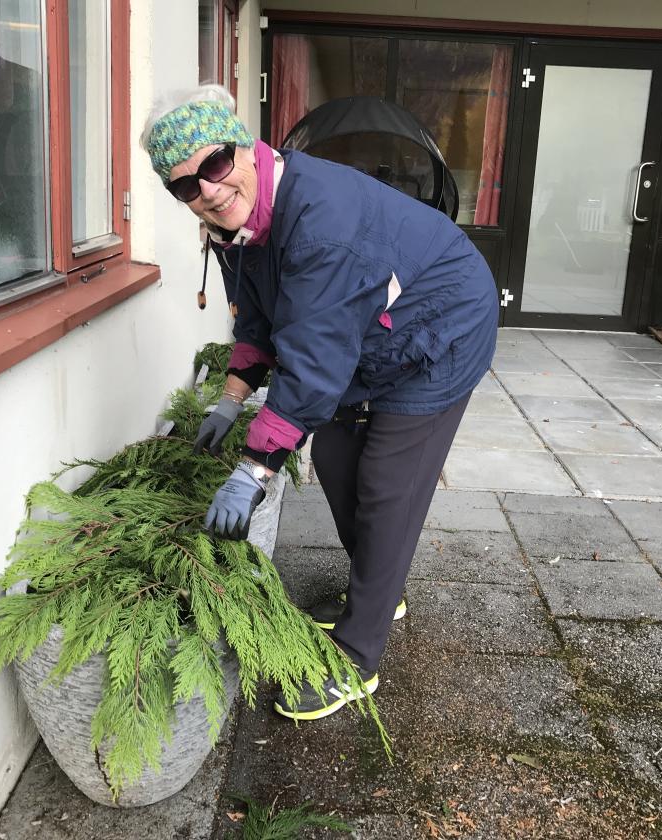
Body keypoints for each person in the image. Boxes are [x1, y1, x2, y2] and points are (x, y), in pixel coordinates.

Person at [143, 85, 497, 721]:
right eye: (186, 185)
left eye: (216, 164)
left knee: (388, 481)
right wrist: (229, 399)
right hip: (368, 329)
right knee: (336, 460)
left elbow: (311, 366)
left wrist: (254, 469)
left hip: (441, 327)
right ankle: (378, 588)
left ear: (246, 148)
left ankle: (358, 658)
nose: (210, 190)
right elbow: (258, 317)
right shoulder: (236, 227)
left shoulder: (321, 228)